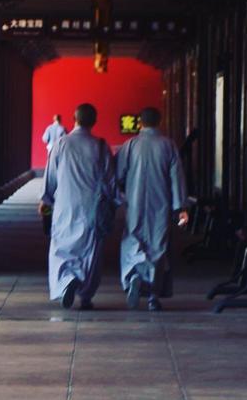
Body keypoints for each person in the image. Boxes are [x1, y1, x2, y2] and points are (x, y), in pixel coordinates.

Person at [112, 106, 190, 311]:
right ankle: (153, 296)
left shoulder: (130, 145)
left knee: (132, 240)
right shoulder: (168, 146)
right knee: (158, 246)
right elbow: (176, 177)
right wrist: (180, 206)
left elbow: (118, 175)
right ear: (160, 122)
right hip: (161, 205)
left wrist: (120, 194)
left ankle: (135, 275)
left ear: (140, 123)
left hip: (135, 204)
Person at [42, 102, 113, 310]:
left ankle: (66, 281)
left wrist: (46, 200)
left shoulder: (61, 143)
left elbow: (50, 175)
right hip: (92, 207)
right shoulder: (101, 146)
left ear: (74, 119)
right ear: (94, 122)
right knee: (91, 251)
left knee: (61, 247)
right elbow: (109, 179)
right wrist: (115, 200)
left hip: (65, 205)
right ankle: (86, 294)